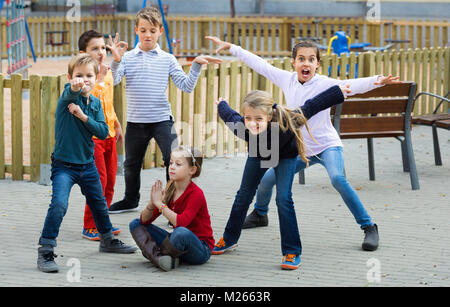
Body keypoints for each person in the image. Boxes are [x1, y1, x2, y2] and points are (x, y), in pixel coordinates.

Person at [206, 36, 402, 251]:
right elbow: (261, 65)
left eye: (311, 59)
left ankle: (369, 227)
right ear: (293, 62)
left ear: (317, 64)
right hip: (298, 148)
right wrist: (233, 47)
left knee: (337, 178)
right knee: (265, 181)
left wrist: (378, 80)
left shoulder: (326, 83)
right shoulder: (286, 79)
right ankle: (260, 214)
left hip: (326, 145)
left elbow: (352, 86)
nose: (306, 63)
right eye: (301, 59)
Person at [212, 85, 347, 270]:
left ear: (269, 116)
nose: (253, 123)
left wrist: (339, 91)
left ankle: (292, 251)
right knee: (243, 196)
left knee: (283, 198)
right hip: (259, 155)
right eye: (248, 118)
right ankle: (229, 239)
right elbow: (229, 115)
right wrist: (221, 104)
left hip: (285, 157)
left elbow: (313, 105)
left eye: (258, 119)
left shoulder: (288, 121)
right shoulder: (242, 127)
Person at [108, 7, 222, 214]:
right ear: (136, 30)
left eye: (152, 30)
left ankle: (174, 205)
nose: (147, 35)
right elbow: (113, 81)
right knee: (131, 164)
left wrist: (195, 65)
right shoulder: (127, 58)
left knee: (175, 162)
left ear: (160, 31)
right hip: (136, 121)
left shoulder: (167, 59)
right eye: (143, 30)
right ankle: (130, 199)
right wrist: (115, 61)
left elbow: (186, 86)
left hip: (162, 120)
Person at [37, 54, 137, 273]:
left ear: (96, 77)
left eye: (89, 75)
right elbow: (70, 92)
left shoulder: (96, 103)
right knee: (59, 205)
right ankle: (45, 250)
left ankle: (107, 240)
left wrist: (83, 117)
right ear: (70, 77)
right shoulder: (67, 97)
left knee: (99, 203)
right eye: (79, 75)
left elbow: (102, 132)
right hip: (64, 166)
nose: (84, 80)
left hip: (87, 165)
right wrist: (74, 89)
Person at [129, 146, 214, 271]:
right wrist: (152, 204)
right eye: (170, 163)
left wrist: (160, 204)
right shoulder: (170, 189)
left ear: (192, 170)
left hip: (200, 248)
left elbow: (181, 223)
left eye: (178, 164)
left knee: (180, 232)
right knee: (135, 224)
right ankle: (164, 258)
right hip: (177, 244)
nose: (172, 167)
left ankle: (155, 255)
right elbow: (144, 221)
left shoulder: (196, 194)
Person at [78, 30, 123, 240]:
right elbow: (88, 104)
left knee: (111, 181)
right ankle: (90, 225)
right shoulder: (83, 78)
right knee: (98, 182)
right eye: (94, 49)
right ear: (82, 53)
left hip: (110, 135)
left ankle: (103, 223)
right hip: (93, 138)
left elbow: (108, 103)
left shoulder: (108, 72)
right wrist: (100, 79)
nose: (100, 52)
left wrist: (116, 123)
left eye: (103, 48)